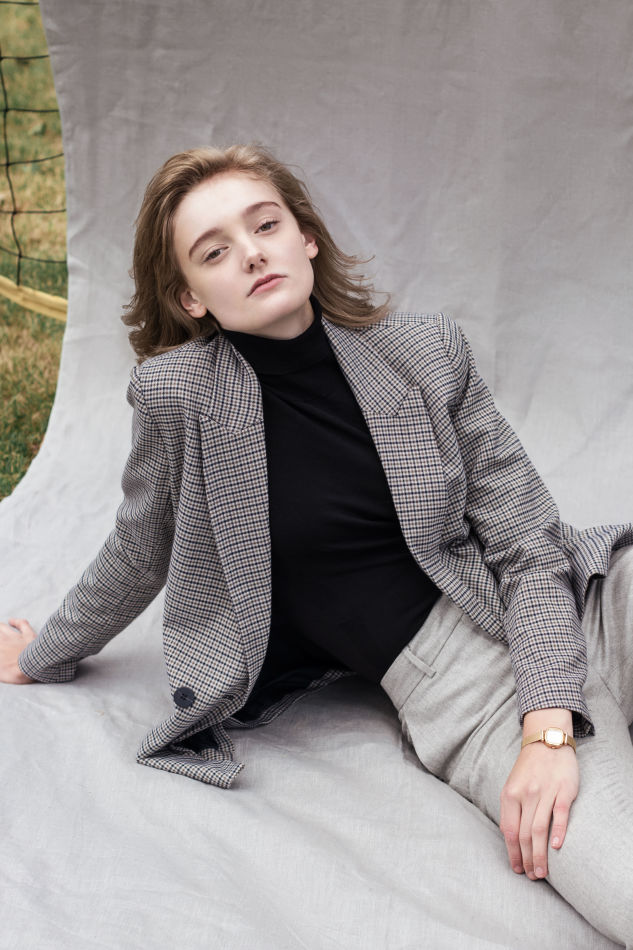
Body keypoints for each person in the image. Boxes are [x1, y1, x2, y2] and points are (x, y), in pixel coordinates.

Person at [1, 144, 632, 944]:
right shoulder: (178, 396)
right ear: (189, 297)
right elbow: (139, 548)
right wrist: (43, 653)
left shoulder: (424, 351)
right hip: (465, 682)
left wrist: (550, 720)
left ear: (305, 237)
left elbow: (525, 542)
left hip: (588, 599)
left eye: (265, 225)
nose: (251, 252)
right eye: (213, 252)